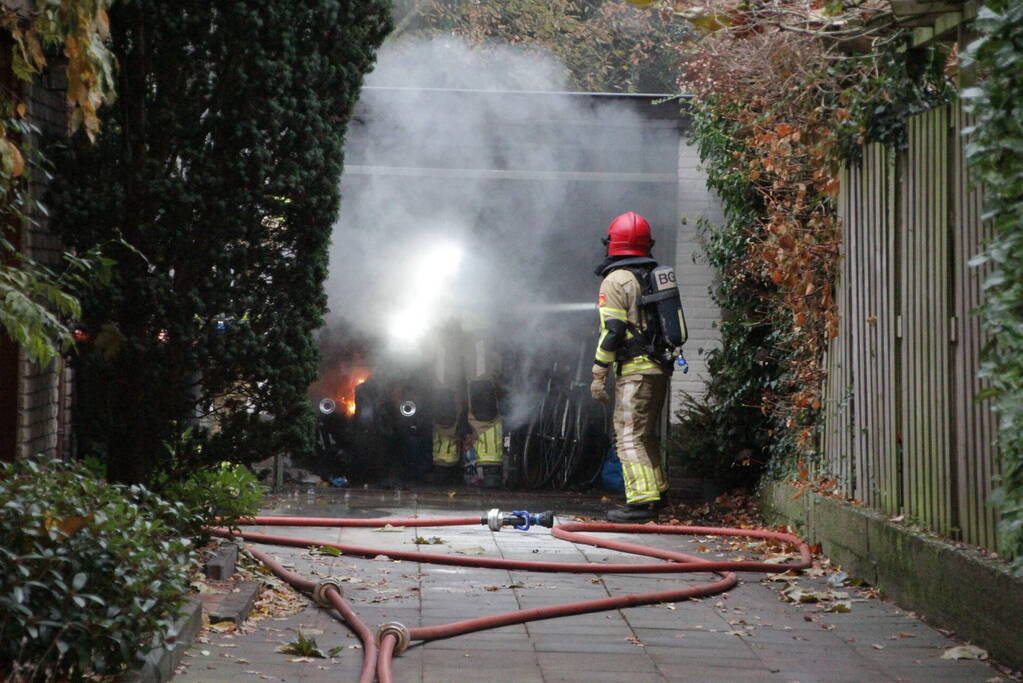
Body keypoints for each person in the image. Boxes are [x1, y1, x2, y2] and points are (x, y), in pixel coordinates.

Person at [590, 211, 671, 523]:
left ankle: (640, 502)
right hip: (658, 367)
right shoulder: (652, 275)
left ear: (613, 243)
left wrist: (599, 373)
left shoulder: (615, 280)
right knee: (645, 434)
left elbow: (612, 331)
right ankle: (658, 492)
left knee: (627, 436)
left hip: (636, 371)